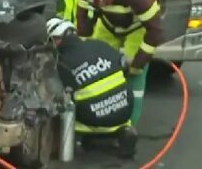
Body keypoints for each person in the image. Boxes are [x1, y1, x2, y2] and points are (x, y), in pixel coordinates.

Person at [75, 0, 164, 126]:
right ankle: (97, 117)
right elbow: (83, 17)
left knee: (134, 74)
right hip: (107, 24)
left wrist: (137, 63)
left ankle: (129, 124)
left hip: (137, 27)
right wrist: (83, 49)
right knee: (95, 65)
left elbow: (155, 32)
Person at [46, 18, 137, 159]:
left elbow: (58, 92)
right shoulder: (99, 44)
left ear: (56, 40)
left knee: (61, 109)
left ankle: (80, 138)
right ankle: (124, 131)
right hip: (125, 110)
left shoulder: (61, 62)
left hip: (93, 117)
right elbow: (124, 67)